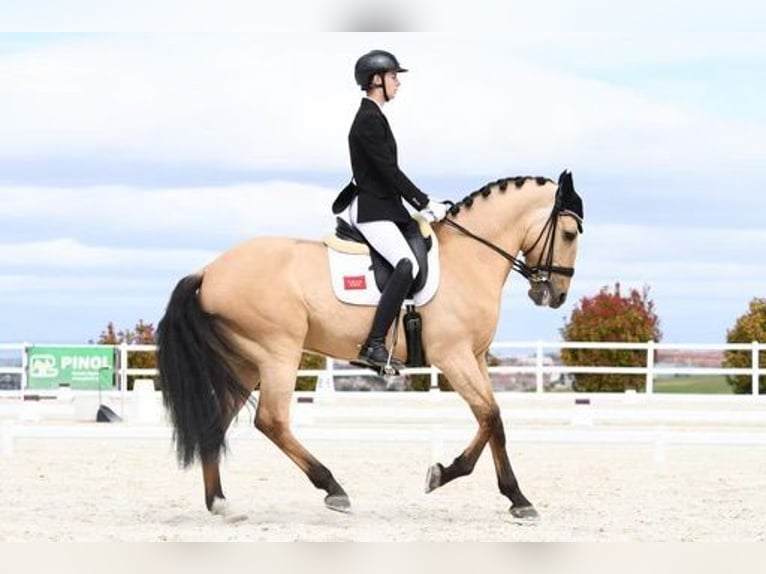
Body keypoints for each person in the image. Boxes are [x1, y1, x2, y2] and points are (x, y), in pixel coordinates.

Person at [334, 49, 450, 370]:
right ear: (376, 80)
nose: (398, 83)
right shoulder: (368, 120)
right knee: (405, 265)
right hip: (373, 209)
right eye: (393, 77)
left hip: (386, 206)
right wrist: (424, 202)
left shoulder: (376, 117)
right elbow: (389, 172)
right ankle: (373, 345)